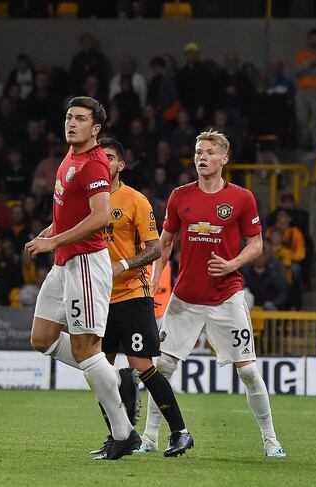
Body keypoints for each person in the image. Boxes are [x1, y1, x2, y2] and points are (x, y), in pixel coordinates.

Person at [146, 130, 286, 458]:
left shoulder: (242, 198)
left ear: (224, 158)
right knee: (161, 367)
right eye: (198, 152)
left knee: (249, 371)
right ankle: (149, 437)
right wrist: (155, 278)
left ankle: (270, 440)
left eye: (209, 152)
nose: (202, 157)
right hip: (185, 299)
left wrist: (232, 263)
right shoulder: (180, 196)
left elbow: (257, 243)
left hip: (226, 296)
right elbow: (165, 243)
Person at [26, 96, 140, 460]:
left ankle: (124, 434)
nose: (71, 123)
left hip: (87, 265)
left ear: (97, 128)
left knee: (86, 350)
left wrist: (55, 240)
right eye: (69, 116)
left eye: (80, 118)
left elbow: (100, 217)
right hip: (63, 263)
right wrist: (49, 234)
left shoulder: (93, 165)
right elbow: (65, 213)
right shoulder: (68, 158)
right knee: (41, 339)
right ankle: (112, 374)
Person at [93, 138, 192, 458]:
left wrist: (121, 265)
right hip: (96, 298)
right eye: (98, 156)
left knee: (142, 365)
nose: (102, 161)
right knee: (98, 370)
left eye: (108, 157)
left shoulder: (135, 200)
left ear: (121, 165)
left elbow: (155, 248)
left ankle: (181, 432)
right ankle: (119, 437)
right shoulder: (87, 199)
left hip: (132, 294)